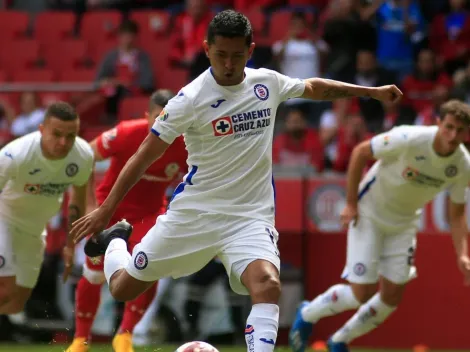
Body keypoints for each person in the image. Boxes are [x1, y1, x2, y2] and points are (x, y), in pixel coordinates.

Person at [70, 10, 402, 352]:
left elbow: (314, 88)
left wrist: (370, 91)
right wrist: (106, 210)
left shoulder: (266, 83)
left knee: (267, 284)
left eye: (237, 55)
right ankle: (115, 242)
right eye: (221, 55)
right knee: (123, 289)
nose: (229, 64)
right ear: (206, 49)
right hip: (195, 214)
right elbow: (143, 155)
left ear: (250, 49)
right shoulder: (189, 99)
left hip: (249, 217)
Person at [289, 100, 470, 352]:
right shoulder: (409, 138)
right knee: (361, 293)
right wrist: (351, 203)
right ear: (438, 123)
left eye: (459, 131)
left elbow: (458, 215)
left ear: (466, 133)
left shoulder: (462, 165)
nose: (452, 136)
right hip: (369, 214)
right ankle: (308, 312)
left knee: (392, 296)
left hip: (404, 223)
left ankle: (339, 340)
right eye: (448, 127)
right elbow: (361, 151)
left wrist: (462, 254)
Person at [66, 90, 187, 352]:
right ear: (147, 117)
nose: (164, 123)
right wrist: (90, 206)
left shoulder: (186, 143)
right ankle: (80, 339)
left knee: (147, 269)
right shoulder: (125, 133)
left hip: (149, 215)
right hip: (109, 212)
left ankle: (125, 335)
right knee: (94, 274)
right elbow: (85, 155)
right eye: (158, 117)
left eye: (170, 117)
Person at [0, 102, 94, 315]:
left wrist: (71, 245)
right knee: (3, 290)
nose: (63, 142)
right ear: (42, 130)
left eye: (70, 136)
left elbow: (77, 202)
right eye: (57, 134)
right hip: (4, 220)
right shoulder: (14, 155)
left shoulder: (83, 155)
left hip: (34, 230)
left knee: (15, 303)